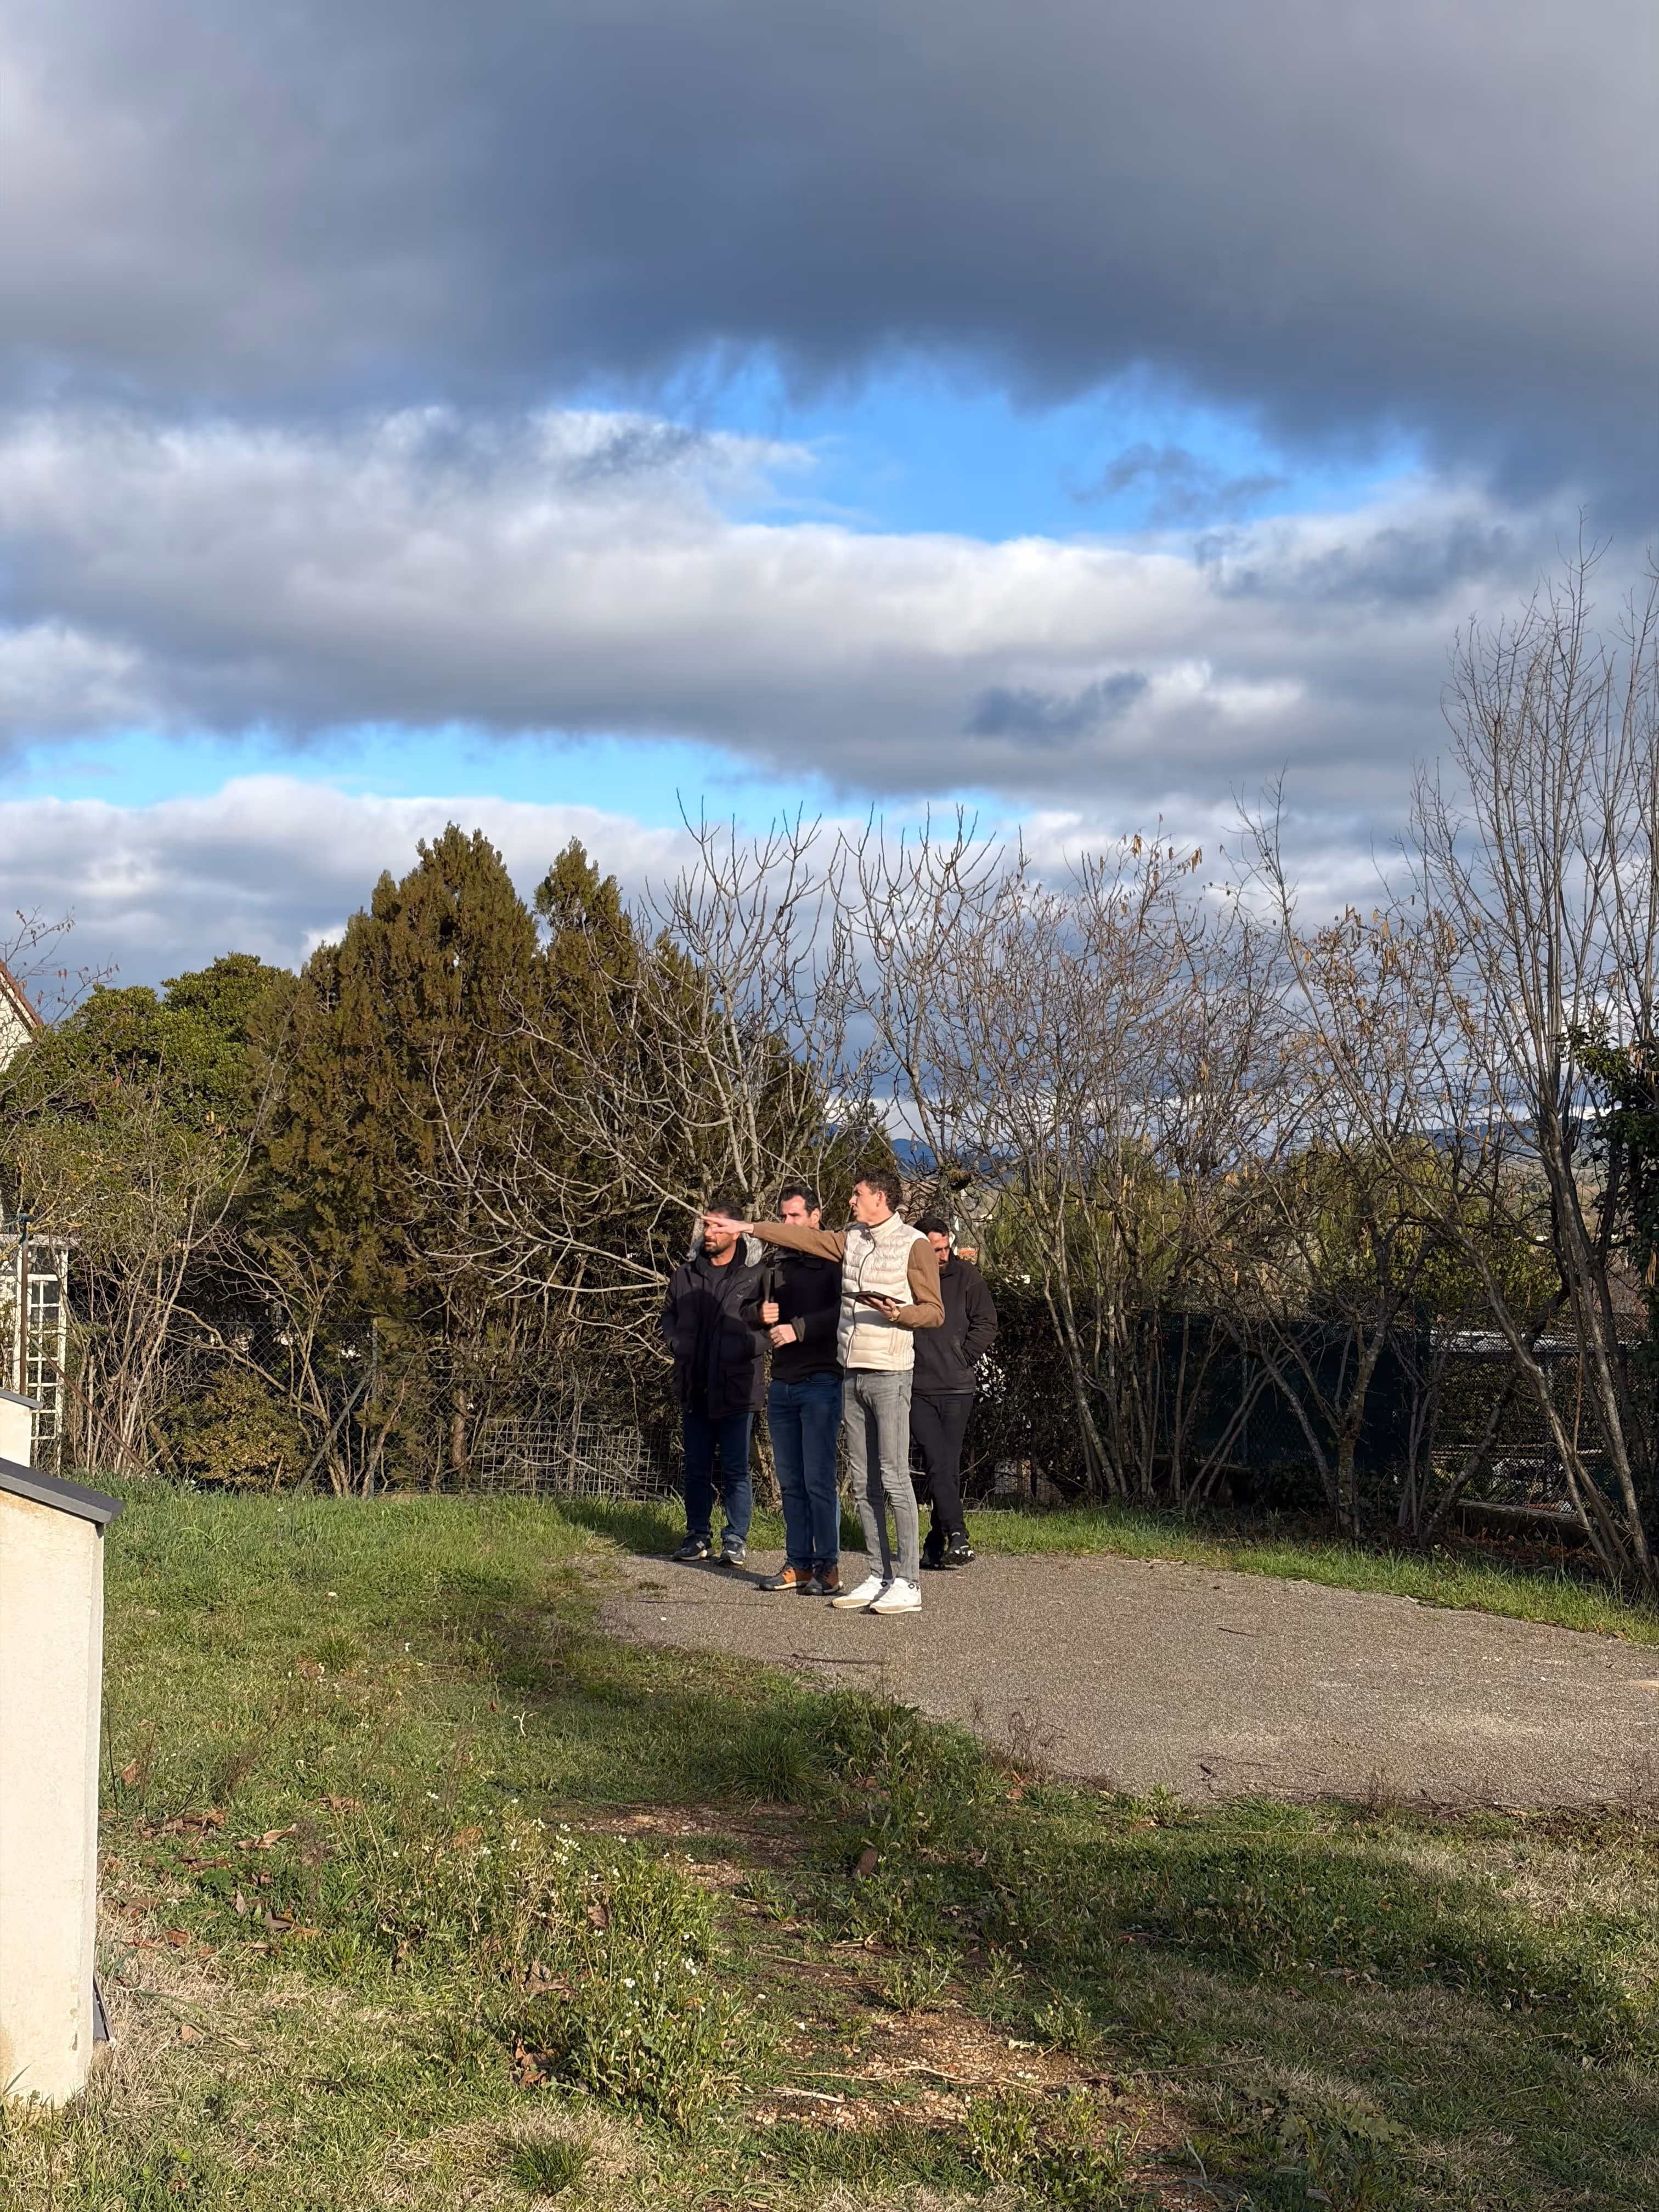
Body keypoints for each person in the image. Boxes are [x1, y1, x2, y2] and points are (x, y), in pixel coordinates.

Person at [701, 1169, 942, 1615]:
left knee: (893, 1477)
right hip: (851, 1372)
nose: (851, 1201)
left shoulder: (914, 1243)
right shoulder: (850, 1239)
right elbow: (800, 1239)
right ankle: (877, 1575)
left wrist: (900, 1314)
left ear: (881, 1198)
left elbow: (934, 1312)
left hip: (890, 1372)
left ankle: (909, 1582)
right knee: (865, 1484)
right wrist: (744, 1227)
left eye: (858, 1194)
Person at [747, 1183, 845, 1596]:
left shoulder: (836, 1262)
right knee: (791, 1482)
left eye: (794, 1217)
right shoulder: (775, 1263)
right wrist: (758, 1313)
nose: (788, 1224)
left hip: (822, 1381)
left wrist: (800, 1328)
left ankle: (830, 1568)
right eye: (783, 1217)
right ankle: (799, 1563)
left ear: (815, 1217)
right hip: (783, 1384)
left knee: (819, 1480)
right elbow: (747, 1310)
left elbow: (847, 1311)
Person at [661, 1197, 765, 1566]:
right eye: (707, 1226)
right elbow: (669, 1313)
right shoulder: (686, 1273)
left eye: (718, 1227)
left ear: (735, 1231)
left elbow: (770, 1325)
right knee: (696, 1467)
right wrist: (677, 1342)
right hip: (694, 1384)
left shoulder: (757, 1274)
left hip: (737, 1387)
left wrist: (744, 1346)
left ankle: (735, 1539)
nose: (709, 1233)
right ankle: (697, 1536)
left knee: (736, 1468)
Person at [909, 1214, 997, 1568]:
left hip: (957, 1387)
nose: (942, 1256)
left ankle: (935, 1541)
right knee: (936, 1461)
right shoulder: (907, 1279)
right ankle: (958, 1535)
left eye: (945, 1248)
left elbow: (987, 1322)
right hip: (917, 1387)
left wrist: (964, 1355)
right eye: (934, 1250)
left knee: (945, 1465)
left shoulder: (967, 1277)